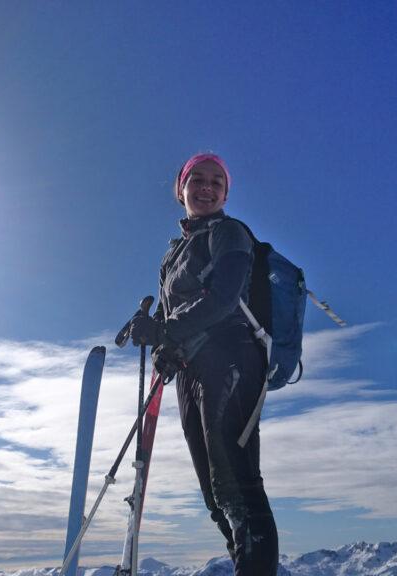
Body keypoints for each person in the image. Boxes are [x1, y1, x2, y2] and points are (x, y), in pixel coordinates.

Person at [128, 152, 279, 575]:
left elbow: (225, 297)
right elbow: (172, 315)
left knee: (238, 483)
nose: (206, 188)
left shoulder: (230, 233)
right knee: (217, 495)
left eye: (216, 182)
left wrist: (167, 331)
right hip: (193, 371)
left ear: (226, 193)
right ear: (181, 189)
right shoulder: (174, 254)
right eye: (197, 180)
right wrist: (155, 331)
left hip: (232, 357)